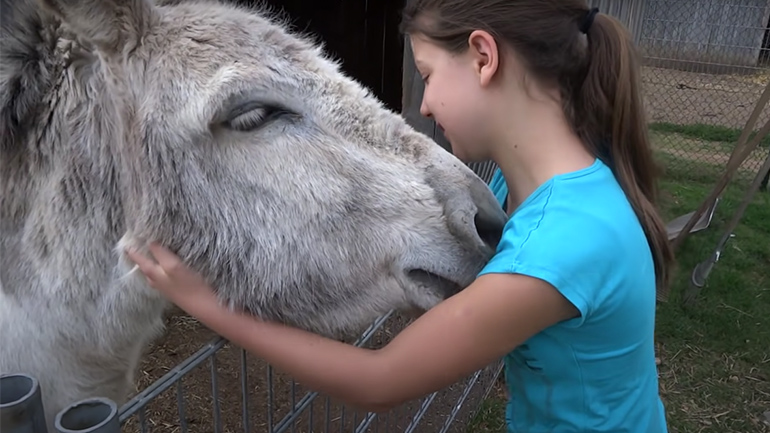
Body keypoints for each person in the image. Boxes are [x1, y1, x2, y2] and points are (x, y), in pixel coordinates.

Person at [126, 1, 675, 431]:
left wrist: (207, 305)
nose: (426, 104)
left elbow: (379, 380)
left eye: (428, 74)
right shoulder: (540, 188)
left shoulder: (566, 244)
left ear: (485, 58)